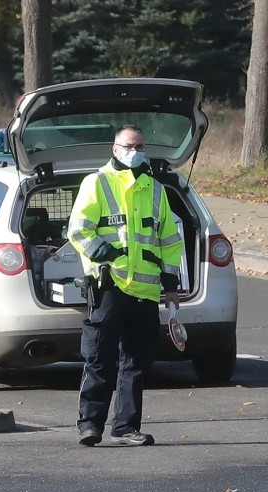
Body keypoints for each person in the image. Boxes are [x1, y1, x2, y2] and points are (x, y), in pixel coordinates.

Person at [67, 125, 183, 447]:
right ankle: (90, 425)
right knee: (100, 358)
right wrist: (105, 255)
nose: (135, 151)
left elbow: (171, 243)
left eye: (140, 146)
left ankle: (126, 427)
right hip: (109, 287)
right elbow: (78, 231)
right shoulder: (97, 183)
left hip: (145, 292)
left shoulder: (155, 190)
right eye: (129, 146)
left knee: (135, 362)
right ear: (115, 149)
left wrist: (171, 285)